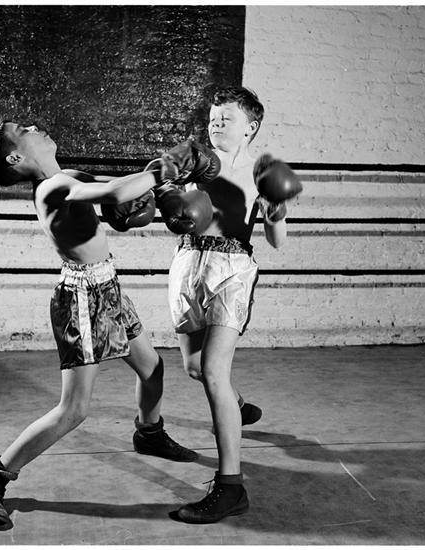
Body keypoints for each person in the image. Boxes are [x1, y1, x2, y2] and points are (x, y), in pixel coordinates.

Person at [0, 119, 220, 528]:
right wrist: (165, 168)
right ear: (16, 157)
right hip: (80, 299)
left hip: (107, 286)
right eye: (23, 129)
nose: (35, 125)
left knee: (152, 368)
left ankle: (149, 433)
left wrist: (158, 190)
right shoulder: (51, 188)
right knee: (74, 409)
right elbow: (115, 193)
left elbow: (117, 191)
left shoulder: (67, 176)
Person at [160, 86, 302, 523]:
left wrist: (275, 211)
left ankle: (230, 487)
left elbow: (277, 241)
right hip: (188, 263)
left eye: (227, 118)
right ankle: (236, 407)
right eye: (213, 118)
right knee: (195, 368)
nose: (216, 123)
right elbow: (173, 213)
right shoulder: (195, 163)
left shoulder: (263, 171)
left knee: (213, 373)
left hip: (232, 271)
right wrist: (170, 198)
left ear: (251, 127)